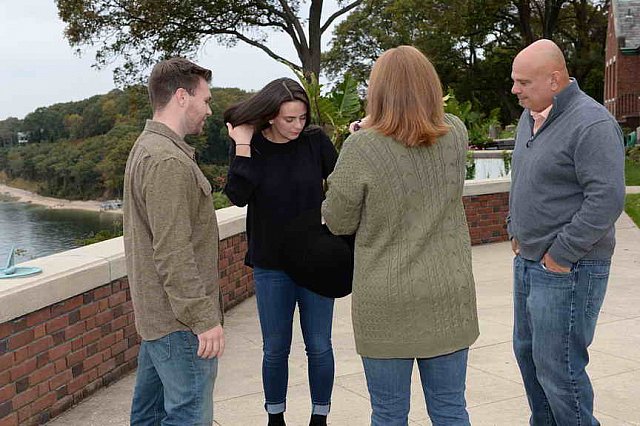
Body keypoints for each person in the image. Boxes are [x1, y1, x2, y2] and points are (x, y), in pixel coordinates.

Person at [322, 45, 479, 426]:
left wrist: (359, 137)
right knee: (450, 410)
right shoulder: (456, 131)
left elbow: (338, 219)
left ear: (377, 92)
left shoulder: (361, 146)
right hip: (448, 292)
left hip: (385, 300)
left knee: (390, 414)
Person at [508, 39, 625, 425]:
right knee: (529, 358)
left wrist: (561, 254)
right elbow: (524, 178)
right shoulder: (532, 115)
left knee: (560, 371)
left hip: (568, 270)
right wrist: (514, 227)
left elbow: (606, 200)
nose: (515, 90)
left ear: (554, 80)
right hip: (528, 262)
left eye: (523, 82)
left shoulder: (591, 123)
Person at [223, 78, 338, 426]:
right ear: (271, 116)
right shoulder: (252, 145)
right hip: (271, 265)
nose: (297, 126)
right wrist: (242, 143)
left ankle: (320, 417)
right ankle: (276, 417)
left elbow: (346, 182)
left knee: (319, 344)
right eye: (290, 119)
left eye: (302, 118)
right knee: (275, 348)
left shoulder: (315, 141)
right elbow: (237, 195)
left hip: (317, 261)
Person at [123, 57, 225, 425]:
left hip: (158, 319)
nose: (208, 109)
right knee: (190, 414)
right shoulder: (167, 161)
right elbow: (173, 252)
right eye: (206, 99)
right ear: (182, 96)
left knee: (149, 416)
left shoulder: (147, 147)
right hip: (179, 324)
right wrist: (204, 319)